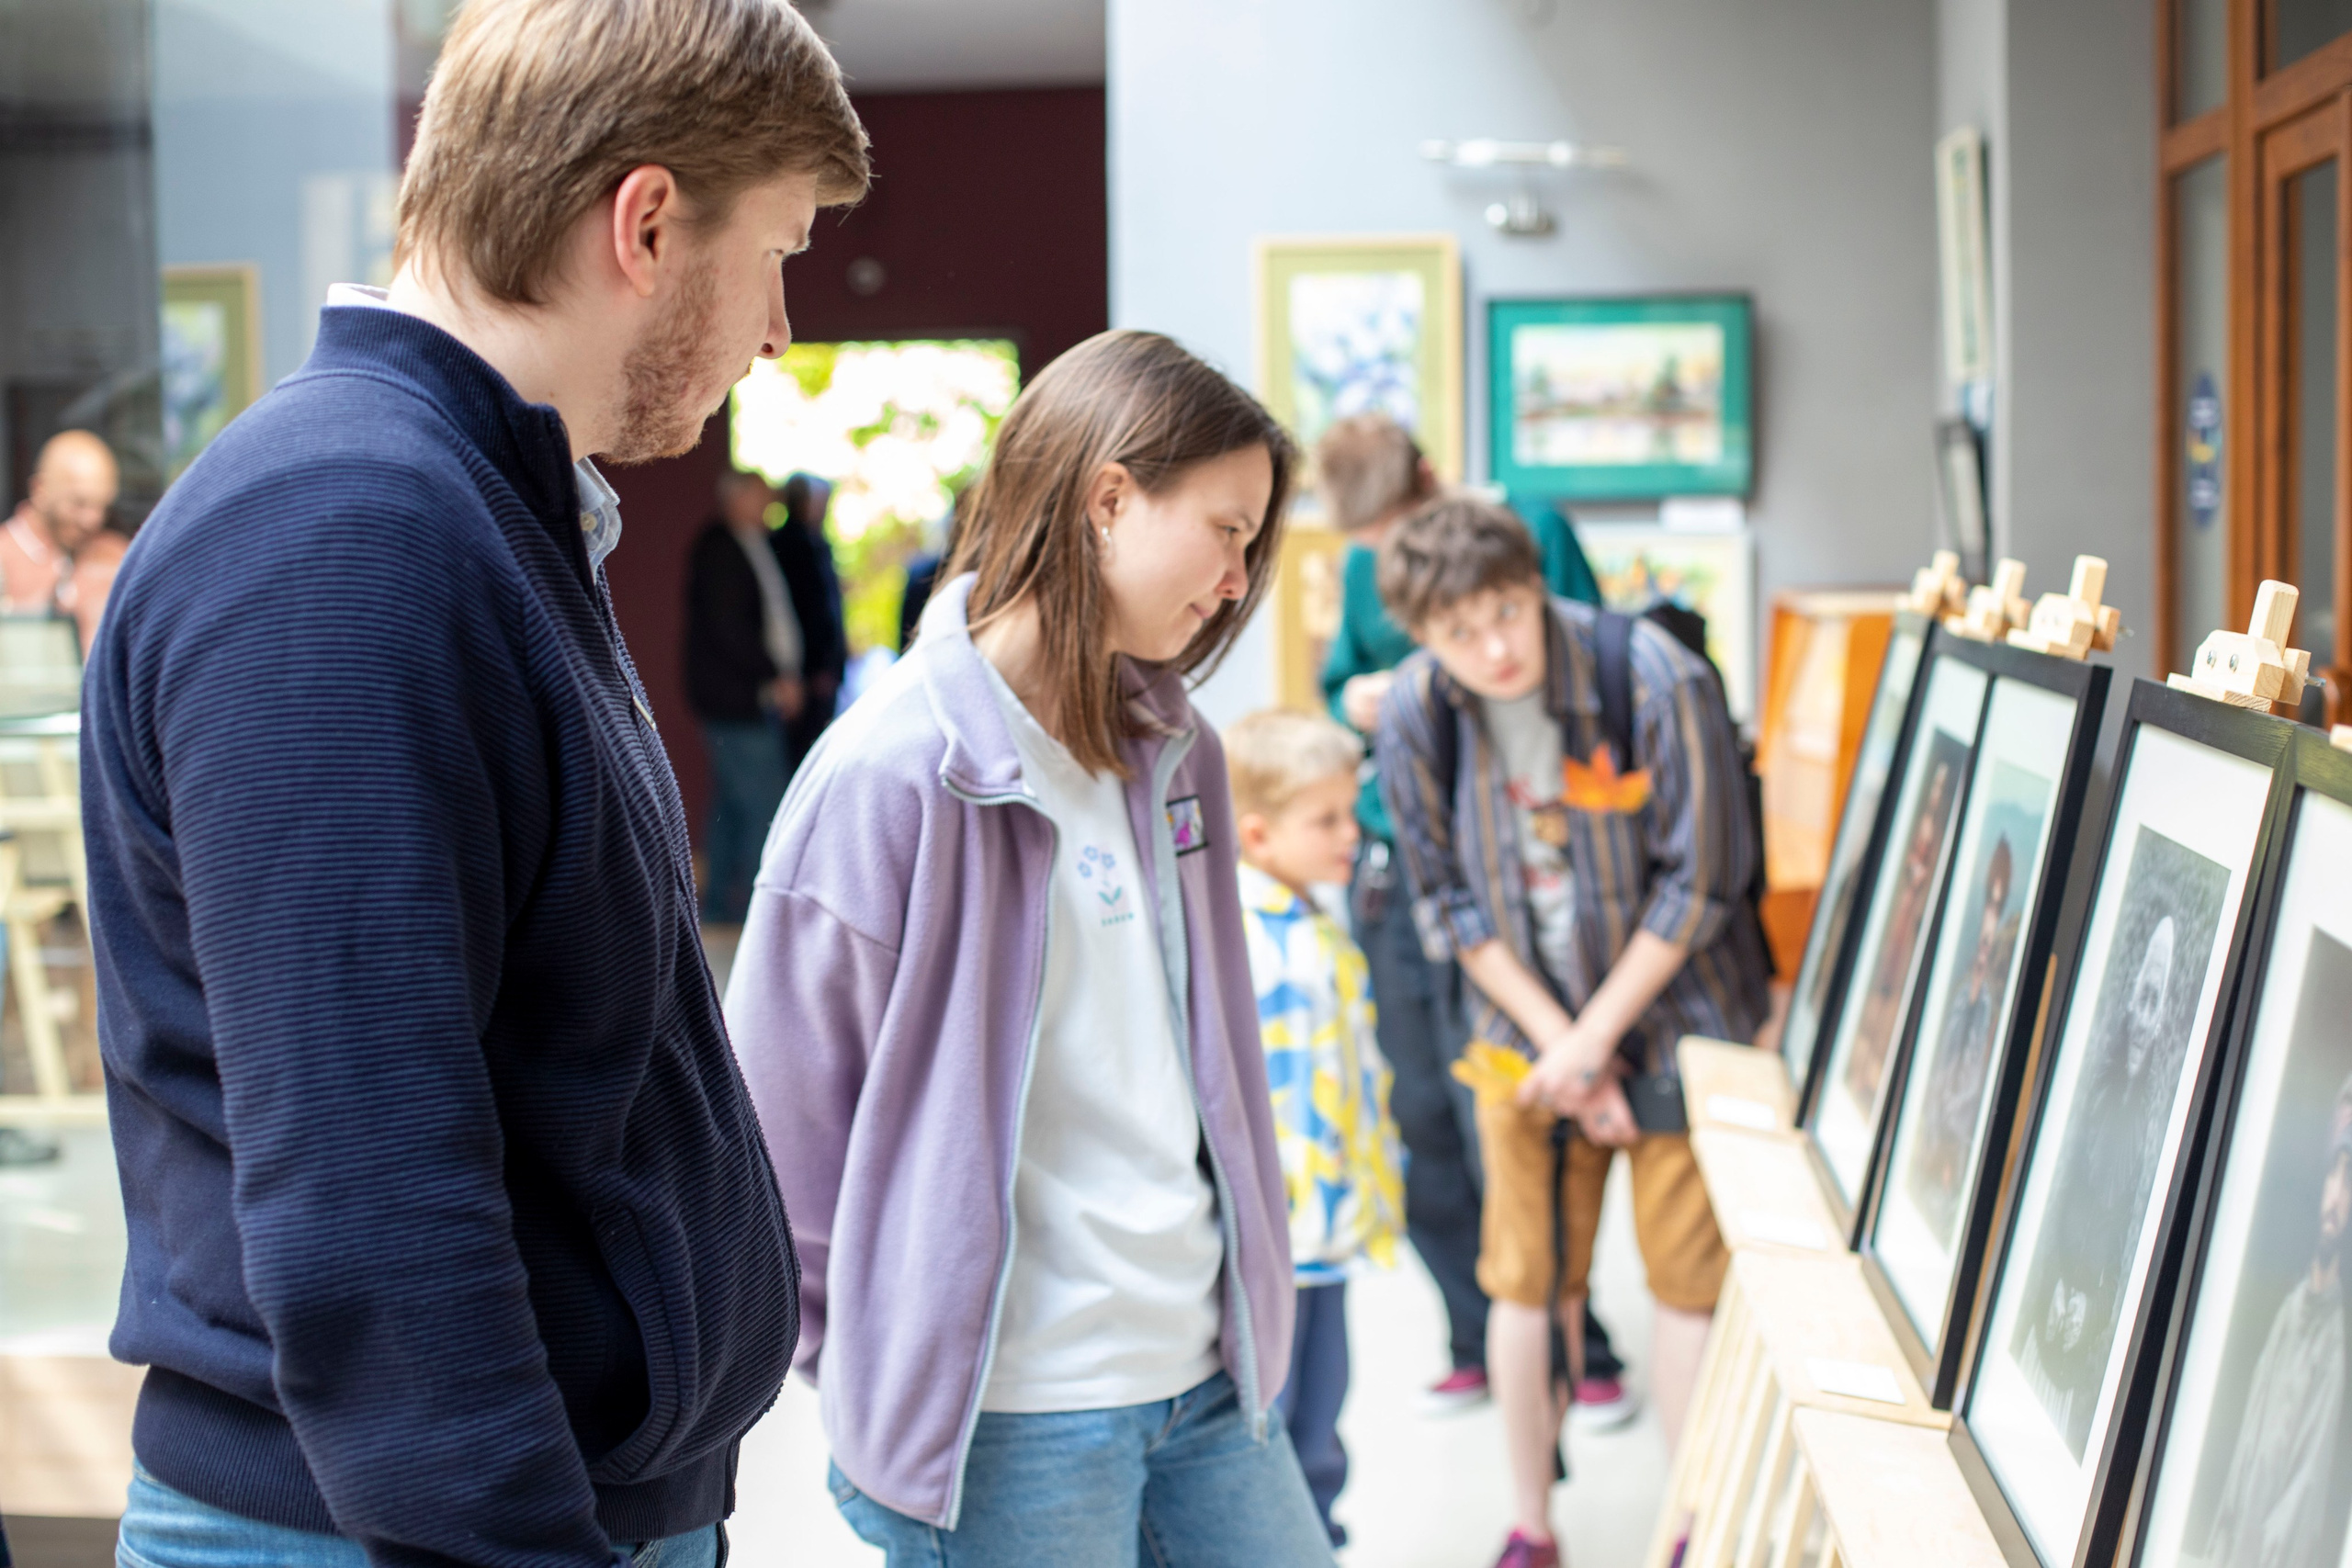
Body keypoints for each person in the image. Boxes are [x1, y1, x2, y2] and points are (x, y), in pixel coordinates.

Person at [81, 6, 868, 1566]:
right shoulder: (347, 538)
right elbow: (373, 1208)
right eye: (777, 251)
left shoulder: (472, 510)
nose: (780, 324)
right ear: (645, 224)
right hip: (395, 1533)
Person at [724, 330, 1333, 1566]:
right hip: (1017, 1415)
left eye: (1251, 545)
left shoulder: (1181, 750)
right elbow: (774, 1133)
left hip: (1215, 1372)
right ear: (1110, 496)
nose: (1235, 580)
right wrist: (893, 1360)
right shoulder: (892, 770)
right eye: (1226, 530)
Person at [1374, 497, 1770, 1568]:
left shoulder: (1651, 677)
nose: (1493, 649)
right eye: (1459, 633)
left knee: (1685, 1284)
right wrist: (1565, 1048)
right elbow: (1446, 904)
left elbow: (1704, 881)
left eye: (1508, 612)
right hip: (1522, 1037)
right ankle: (1529, 1525)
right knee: (1524, 1281)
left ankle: (1686, 1525)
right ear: (1421, 637)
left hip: (1682, 1018)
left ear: (1536, 584)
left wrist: (1595, 1042)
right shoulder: (1417, 710)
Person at [1313, 413, 1628, 1422]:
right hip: (1395, 866)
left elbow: (1591, 671)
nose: (1386, 557)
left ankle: (1578, 1345)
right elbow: (1333, 688)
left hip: (1517, 867)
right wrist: (1357, 699)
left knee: (1517, 1104)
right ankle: (1476, 1335)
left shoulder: (1529, 532)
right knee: (1421, 1115)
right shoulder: (1367, 573)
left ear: (1434, 480)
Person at [1227, 707, 1408, 1550]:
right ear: (1258, 833)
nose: (1350, 834)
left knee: (1323, 1410)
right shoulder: (1242, 941)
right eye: (1326, 819)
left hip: (1325, 1238)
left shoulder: (1321, 927)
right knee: (1276, 1419)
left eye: (1352, 811)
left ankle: (1315, 1535)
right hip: (1275, 1241)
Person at [2199, 1074, 2352, 1568]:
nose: (2337, 1198)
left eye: (2350, 1184)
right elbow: (2244, 1462)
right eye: (2335, 1175)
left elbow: (2301, 1507)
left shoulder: (2335, 1342)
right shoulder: (2290, 1312)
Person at [685, 468, 803, 922]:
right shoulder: (720, 548)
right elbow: (729, 628)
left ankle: (718, 907)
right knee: (761, 803)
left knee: (732, 806)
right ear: (735, 499)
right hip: (736, 698)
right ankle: (761, 914)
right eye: (759, 497)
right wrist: (775, 675)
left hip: (743, 696)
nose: (768, 505)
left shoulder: (751, 543)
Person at [4, 427, 128, 650]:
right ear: (39, 489)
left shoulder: (116, 554)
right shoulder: (5, 554)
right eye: (78, 503)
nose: (92, 520)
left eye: (102, 506)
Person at [773, 468, 847, 759]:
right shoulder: (794, 545)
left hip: (819, 669)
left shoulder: (815, 541)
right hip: (810, 672)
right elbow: (808, 611)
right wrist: (819, 666)